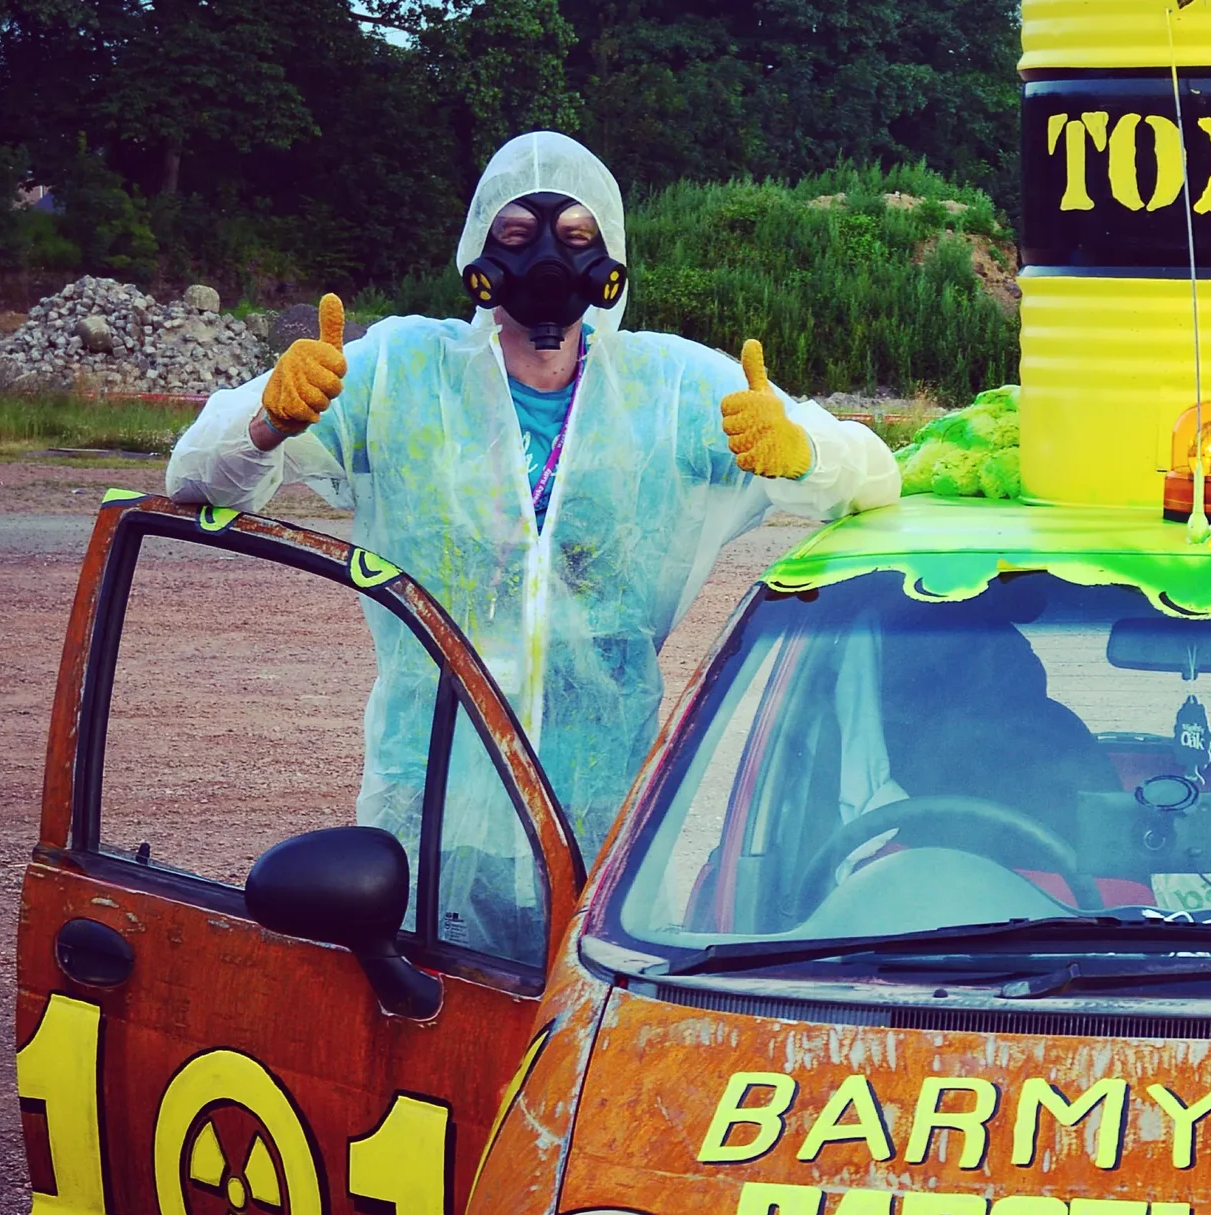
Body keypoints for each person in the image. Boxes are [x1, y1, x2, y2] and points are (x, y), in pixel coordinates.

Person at [168, 131, 898, 943]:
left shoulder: (673, 390)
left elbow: (875, 480)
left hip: (598, 822)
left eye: (577, 238)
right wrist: (269, 418)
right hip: (429, 816)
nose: (548, 256)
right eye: (517, 236)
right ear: (479, 249)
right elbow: (192, 479)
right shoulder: (403, 374)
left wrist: (804, 453)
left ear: (611, 255)